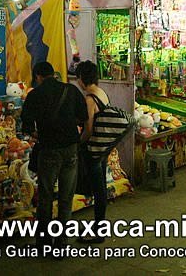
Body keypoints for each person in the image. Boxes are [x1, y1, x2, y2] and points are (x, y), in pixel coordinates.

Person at [21, 61, 88, 253]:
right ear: (54, 74)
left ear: (38, 77)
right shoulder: (71, 90)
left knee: (46, 197)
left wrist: (40, 134)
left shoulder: (35, 95)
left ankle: (43, 244)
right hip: (70, 149)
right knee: (66, 198)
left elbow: (26, 126)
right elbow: (82, 116)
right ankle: (62, 244)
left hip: (49, 149)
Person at [75, 60, 110, 244]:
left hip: (95, 149)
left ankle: (98, 231)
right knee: (100, 187)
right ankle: (98, 227)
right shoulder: (101, 93)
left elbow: (88, 129)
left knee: (98, 190)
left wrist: (79, 144)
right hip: (103, 148)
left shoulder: (90, 98)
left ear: (81, 78)